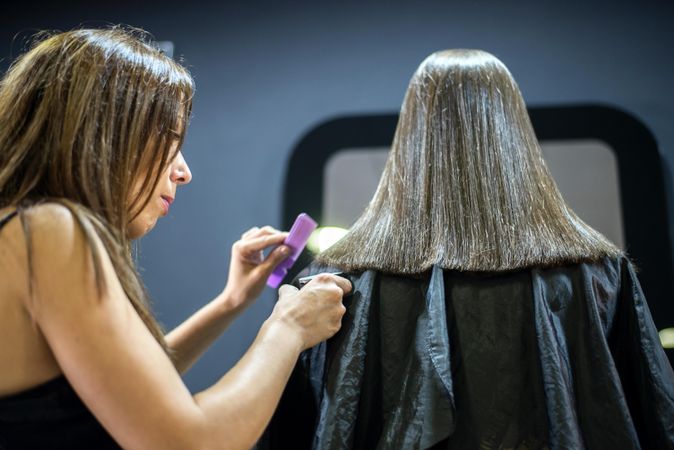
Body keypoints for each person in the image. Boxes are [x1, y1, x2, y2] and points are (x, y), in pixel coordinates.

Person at [262, 50, 674, 449]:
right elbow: (652, 417)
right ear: (513, 132)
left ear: (411, 136)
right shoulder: (598, 272)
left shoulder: (338, 280)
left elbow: (298, 428)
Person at [0, 27, 351, 449]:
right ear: (103, 135)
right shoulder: (51, 230)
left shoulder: (22, 229)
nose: (183, 172)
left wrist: (231, 302)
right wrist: (288, 327)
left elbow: (129, 386)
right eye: (170, 142)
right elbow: (186, 442)